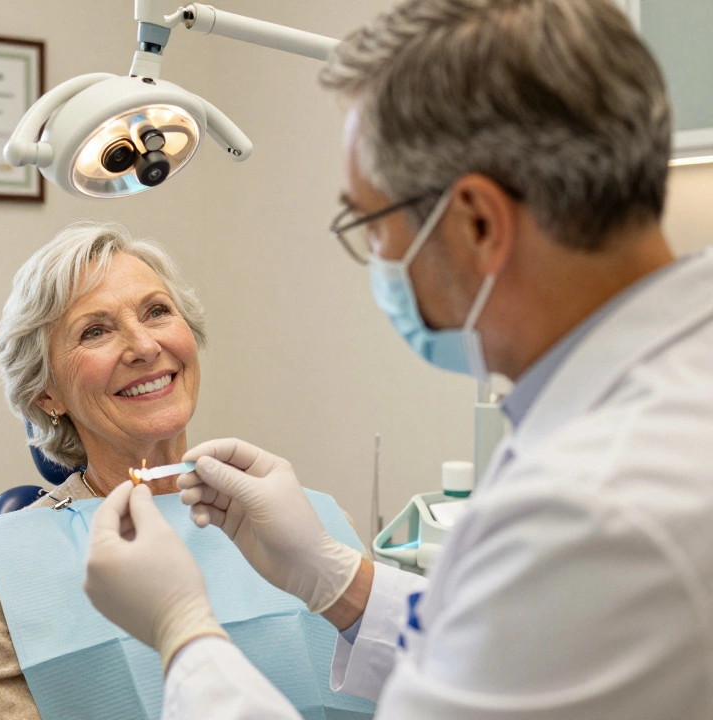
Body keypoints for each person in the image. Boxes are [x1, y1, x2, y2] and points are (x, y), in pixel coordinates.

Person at [84, 0, 713, 718]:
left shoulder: (593, 509)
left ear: (478, 222)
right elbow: (507, 653)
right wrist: (336, 581)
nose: (377, 257)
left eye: (373, 223)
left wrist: (183, 634)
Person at [0, 220, 209, 717]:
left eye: (156, 311)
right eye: (95, 331)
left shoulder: (282, 514)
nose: (145, 347)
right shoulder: (11, 561)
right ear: (47, 395)